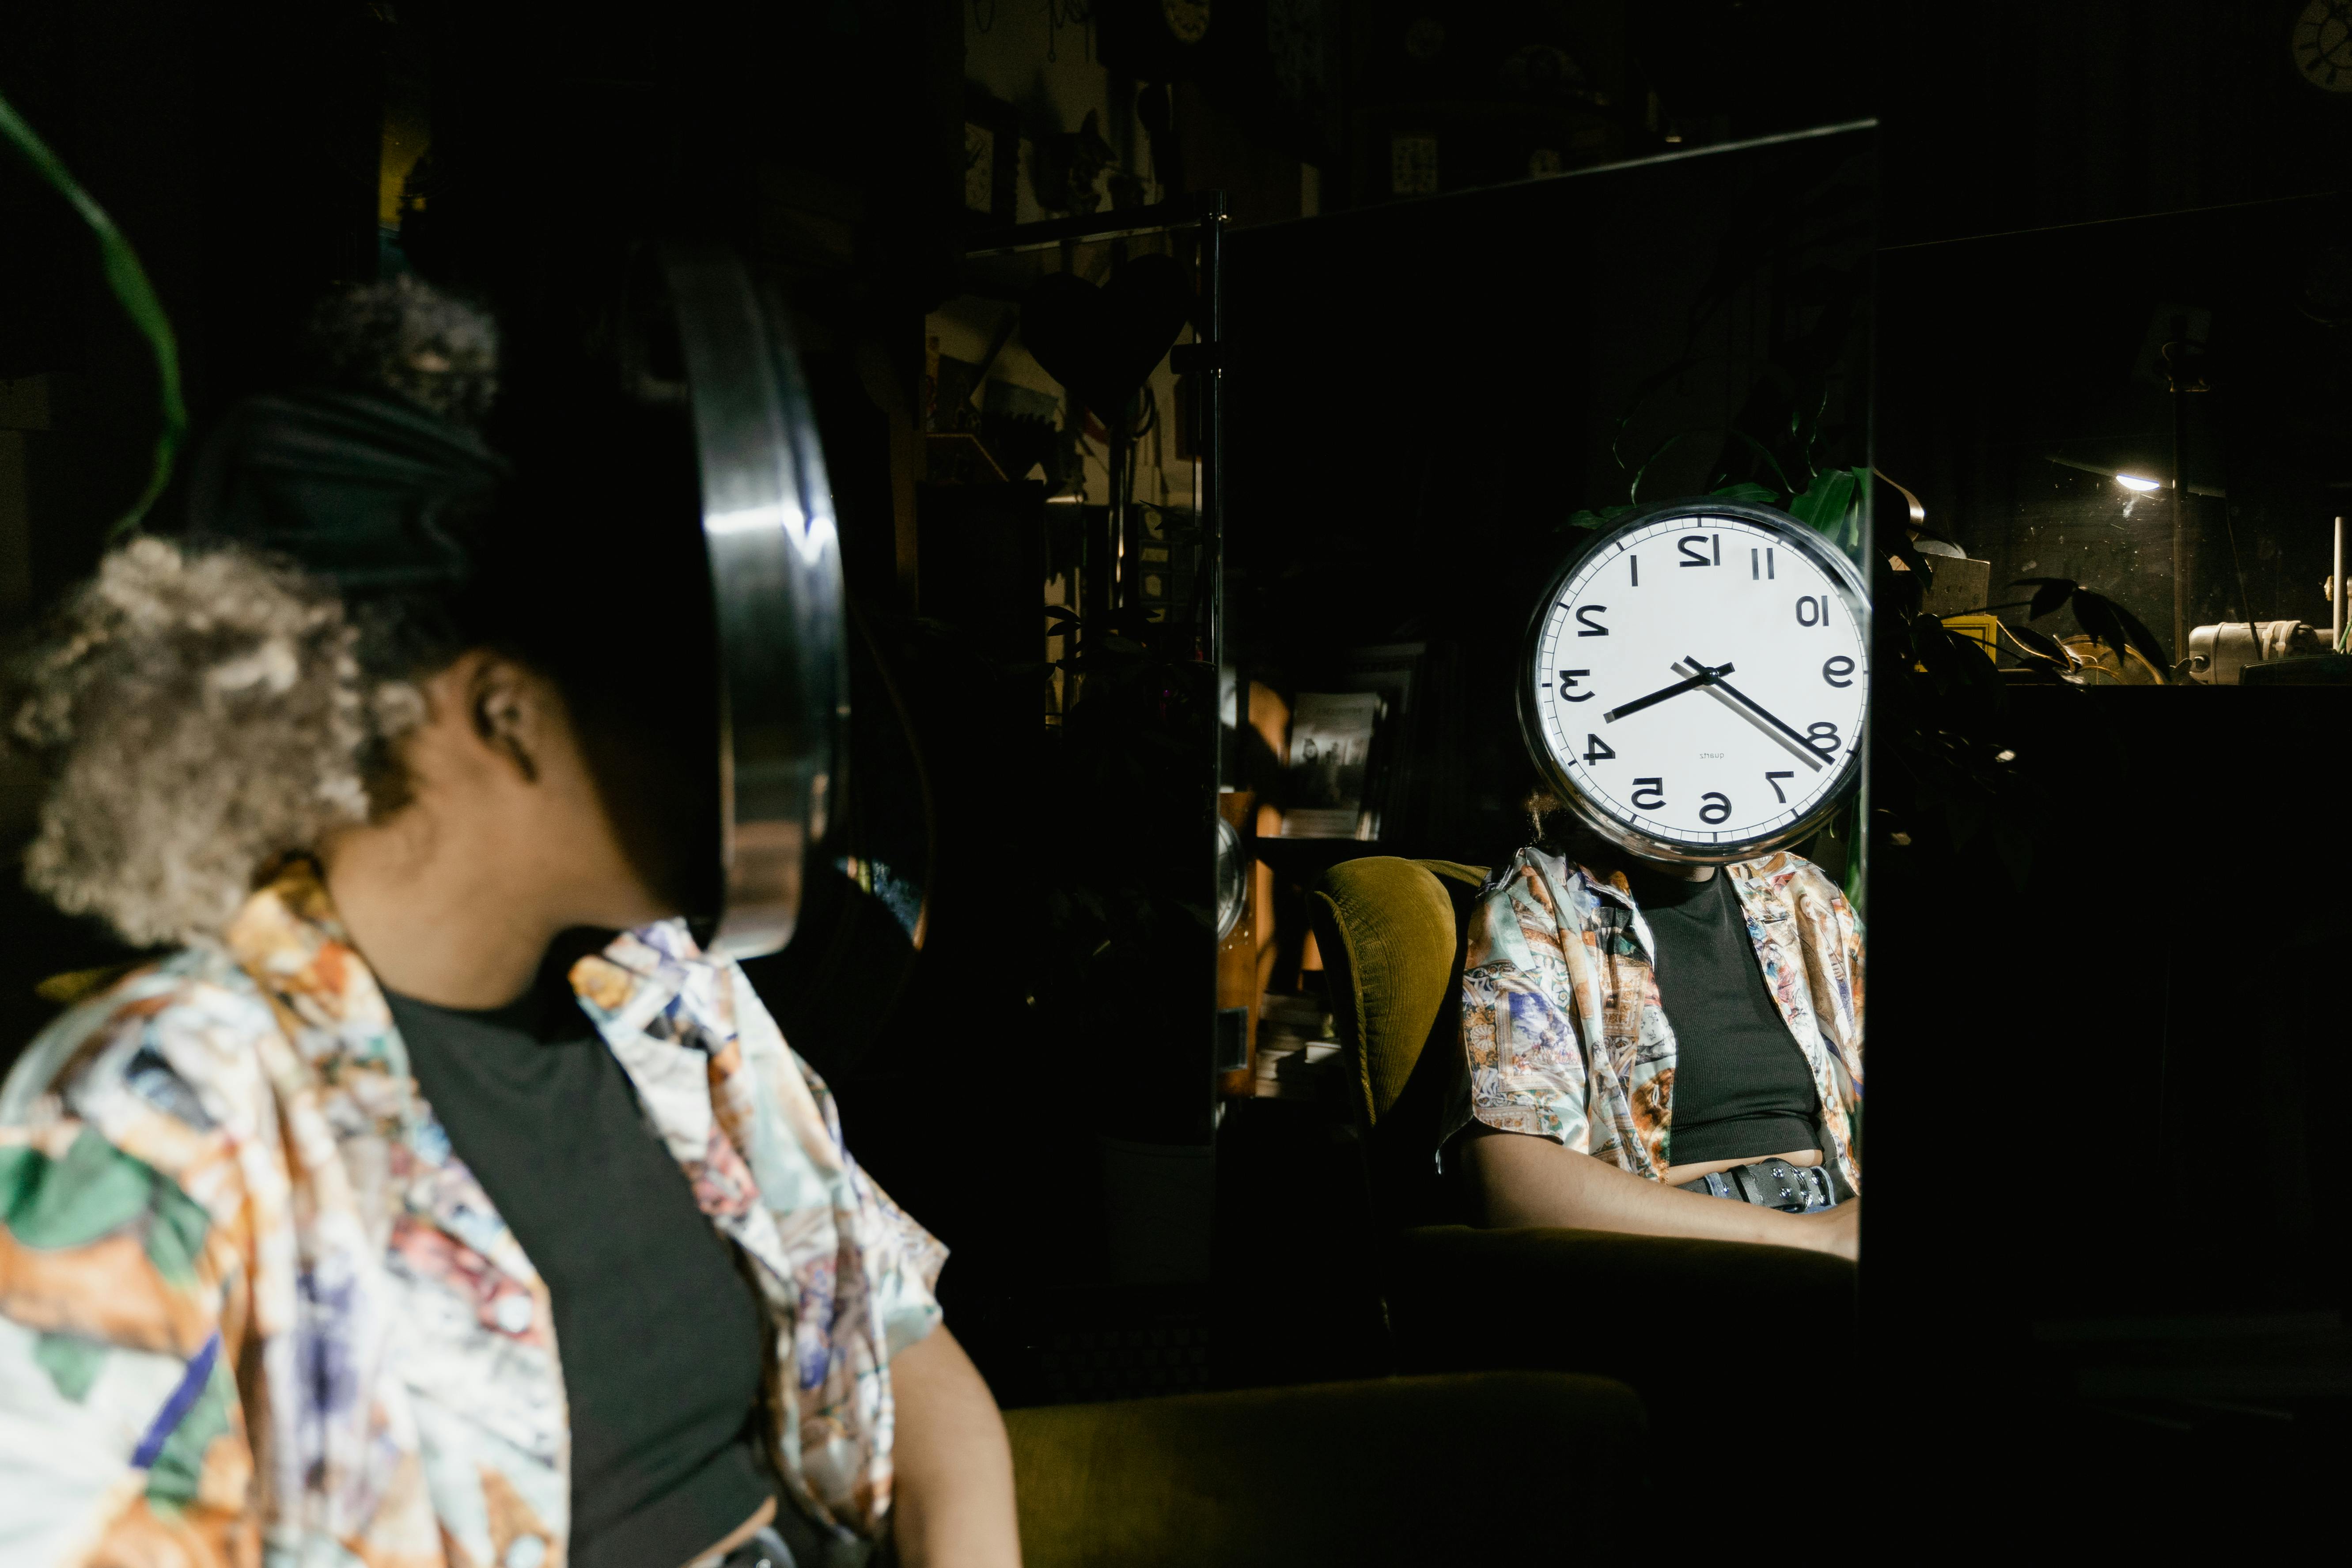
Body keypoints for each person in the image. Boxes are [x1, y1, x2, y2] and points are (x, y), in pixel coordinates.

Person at [0, 280, 1019, 1568]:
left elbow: (904, 1357)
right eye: (700, 703)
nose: (766, 776)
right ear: (506, 713)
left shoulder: (669, 995)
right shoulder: (152, 1119)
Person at [1450, 795, 1862, 1261]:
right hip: (1673, 1253)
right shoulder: (1540, 898)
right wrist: (1814, 1240)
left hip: (1834, 1219)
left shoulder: (1800, 889)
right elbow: (1513, 1182)